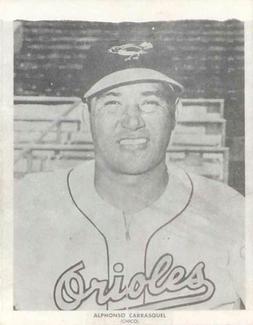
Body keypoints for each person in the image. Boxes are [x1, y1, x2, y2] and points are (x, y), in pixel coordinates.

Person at [14, 41, 244, 311]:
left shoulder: (231, 211)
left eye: (149, 102)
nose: (132, 121)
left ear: (175, 113)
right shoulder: (27, 205)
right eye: (112, 103)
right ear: (85, 117)